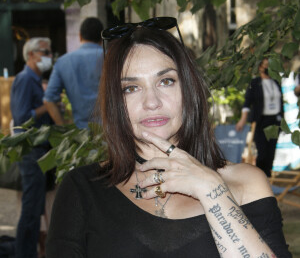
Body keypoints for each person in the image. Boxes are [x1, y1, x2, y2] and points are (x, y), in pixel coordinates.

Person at [46, 17, 291, 257]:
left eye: (166, 81)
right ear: (115, 103)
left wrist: (212, 190)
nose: (151, 102)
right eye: (131, 88)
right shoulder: (82, 190)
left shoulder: (245, 184)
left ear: (189, 90)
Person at [10, 37, 54, 258]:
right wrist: (46, 107)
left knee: (35, 209)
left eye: (49, 52)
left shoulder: (35, 80)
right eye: (44, 52)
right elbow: (21, 117)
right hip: (30, 151)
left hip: (38, 150)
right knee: (30, 210)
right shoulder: (25, 79)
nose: (48, 56)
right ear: (30, 55)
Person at [44, 17, 104, 129]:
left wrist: (63, 128)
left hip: (81, 135)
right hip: (112, 133)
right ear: (102, 38)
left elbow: (49, 100)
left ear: (80, 36)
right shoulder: (112, 59)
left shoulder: (63, 62)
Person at [236, 58, 283, 177]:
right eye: (265, 65)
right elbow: (247, 103)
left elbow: (280, 103)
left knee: (271, 153)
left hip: (275, 121)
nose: (268, 68)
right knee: (261, 153)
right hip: (261, 121)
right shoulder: (255, 83)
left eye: (269, 65)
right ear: (260, 67)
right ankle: (261, 179)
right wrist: (243, 119)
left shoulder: (276, 82)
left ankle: (268, 179)